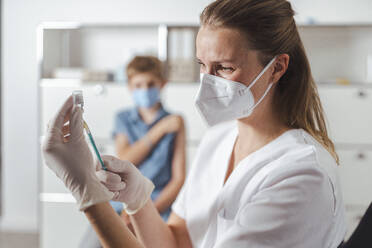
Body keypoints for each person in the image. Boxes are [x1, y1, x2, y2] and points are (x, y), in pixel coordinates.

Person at [42, 0, 346, 247]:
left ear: (276, 68)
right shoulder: (219, 139)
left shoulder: (301, 174)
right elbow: (177, 241)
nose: (208, 82)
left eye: (225, 67)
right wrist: (139, 201)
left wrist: (89, 195)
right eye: (203, 65)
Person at [79, 56, 186, 247]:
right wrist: (159, 130)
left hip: (158, 204)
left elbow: (178, 180)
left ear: (162, 84)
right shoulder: (123, 119)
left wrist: (145, 209)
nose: (144, 90)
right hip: (121, 203)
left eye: (151, 83)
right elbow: (125, 160)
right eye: (138, 85)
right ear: (129, 86)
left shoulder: (176, 122)